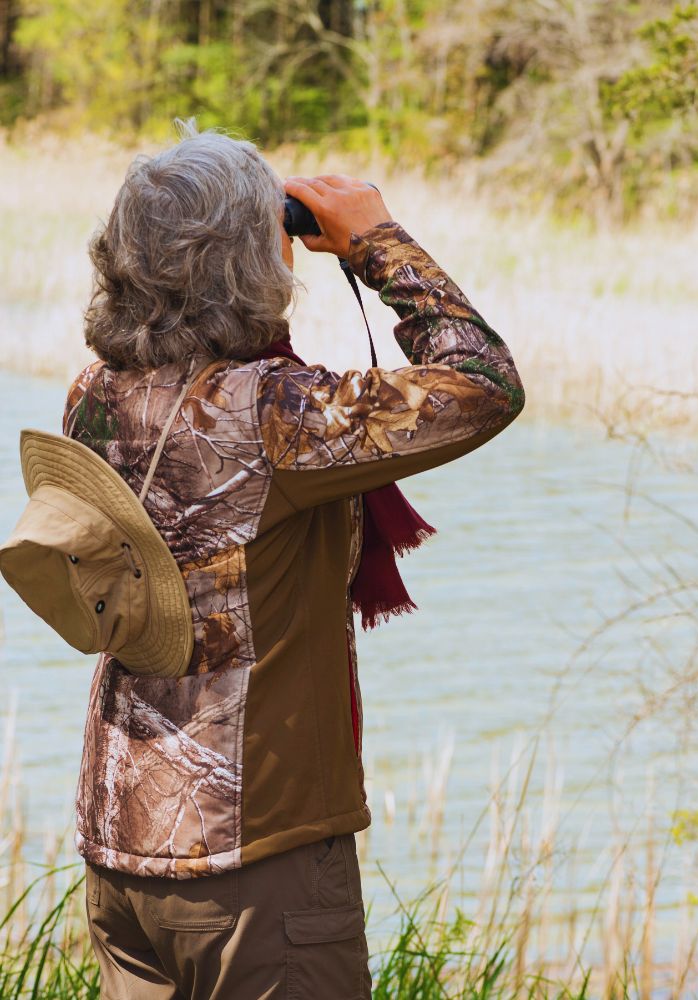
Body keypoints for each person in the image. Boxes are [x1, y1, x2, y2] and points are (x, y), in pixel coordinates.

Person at [66, 121, 525, 999]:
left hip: (121, 851)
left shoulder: (95, 393)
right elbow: (485, 382)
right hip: (254, 864)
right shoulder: (274, 413)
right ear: (256, 263)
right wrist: (377, 243)